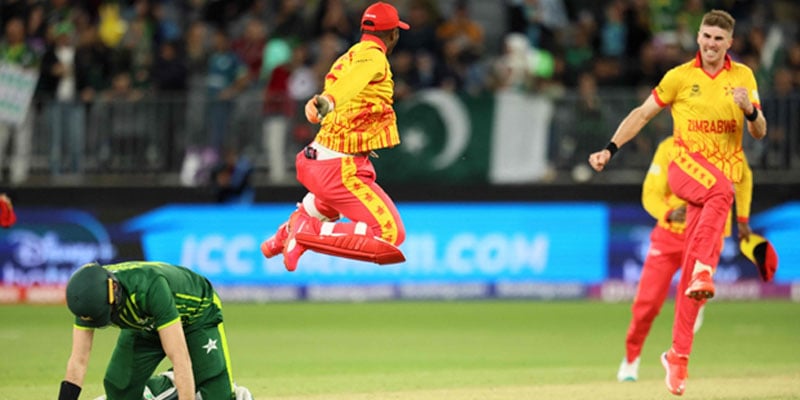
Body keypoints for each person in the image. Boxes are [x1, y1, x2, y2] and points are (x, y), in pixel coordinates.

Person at [588, 10, 767, 396]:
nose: (711, 43)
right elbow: (642, 114)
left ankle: (678, 358)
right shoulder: (680, 77)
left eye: (719, 39)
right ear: (698, 37)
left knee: (693, 289)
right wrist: (610, 149)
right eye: (706, 36)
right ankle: (631, 356)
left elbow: (759, 130)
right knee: (722, 190)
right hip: (685, 168)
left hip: (715, 193)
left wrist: (750, 110)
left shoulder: (744, 78)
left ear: (730, 43)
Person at [260, 1, 409, 272]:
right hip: (339, 167)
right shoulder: (374, 57)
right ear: (393, 34)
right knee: (389, 233)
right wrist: (328, 100)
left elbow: (349, 92)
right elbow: (351, 85)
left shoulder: (348, 56)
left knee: (328, 206)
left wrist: (331, 102)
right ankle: (307, 231)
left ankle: (284, 235)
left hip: (321, 156)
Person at [616, 136, 754, 382]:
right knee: (645, 306)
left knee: (695, 292)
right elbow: (651, 193)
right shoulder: (669, 147)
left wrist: (742, 218)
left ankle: (691, 319)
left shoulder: (728, 144)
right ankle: (630, 359)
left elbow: (743, 179)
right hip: (669, 237)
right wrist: (668, 213)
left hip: (707, 235)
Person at [59, 261, 252, 400]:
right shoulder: (88, 298)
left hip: (197, 317)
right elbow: (79, 361)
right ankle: (167, 386)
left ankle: (227, 392)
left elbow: (179, 356)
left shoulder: (149, 286)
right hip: (144, 324)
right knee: (119, 387)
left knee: (217, 395)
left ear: (115, 292)